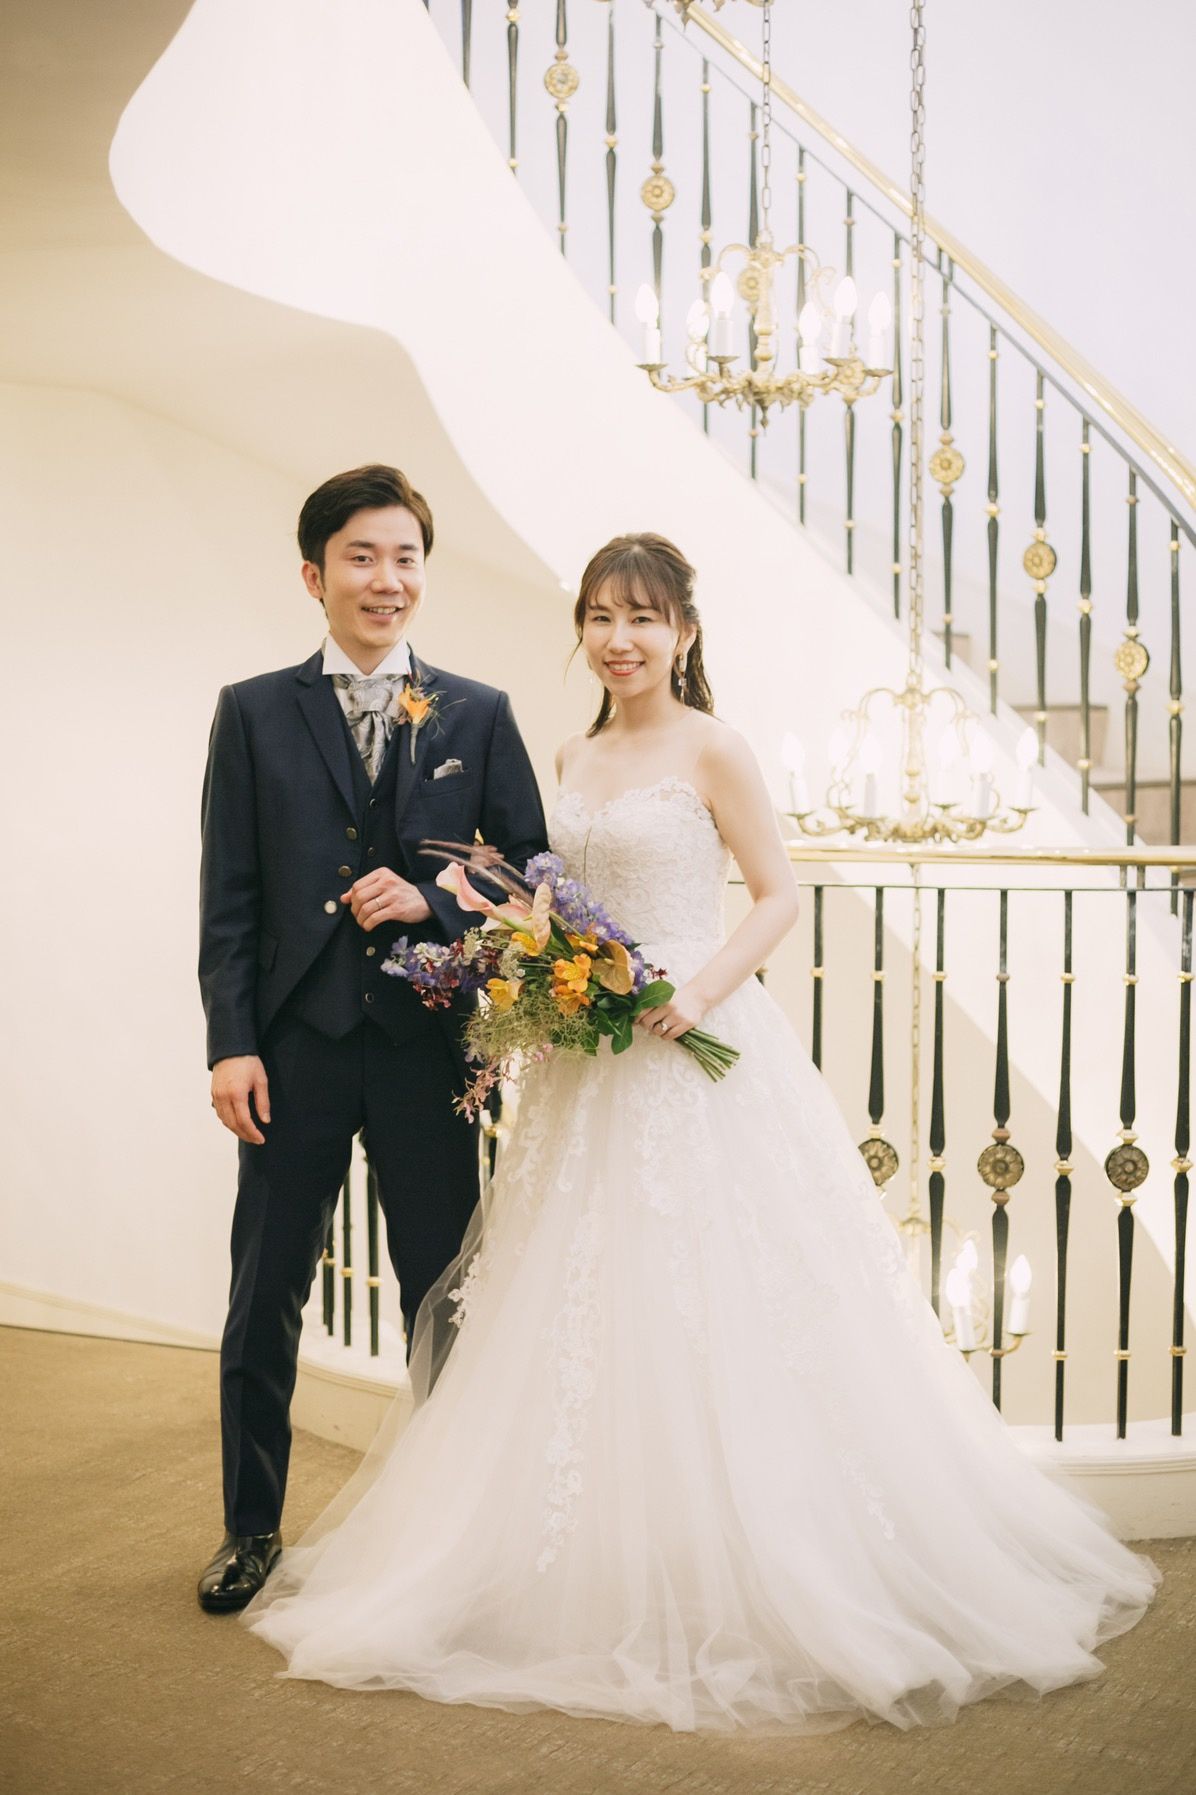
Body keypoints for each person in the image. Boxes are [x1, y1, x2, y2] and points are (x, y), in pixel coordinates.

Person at [244, 532, 1157, 1731]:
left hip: (692, 1040)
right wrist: (529, 956)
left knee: (719, 1293)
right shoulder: (569, 752)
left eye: (642, 618)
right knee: (588, 1298)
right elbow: (542, 894)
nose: (618, 639)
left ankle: (764, 1550)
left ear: (681, 632)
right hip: (587, 1057)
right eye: (599, 617)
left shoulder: (713, 747)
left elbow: (775, 895)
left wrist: (695, 992)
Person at [196, 464, 547, 1613]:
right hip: (291, 1048)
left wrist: (436, 901)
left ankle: (448, 1540)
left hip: (424, 1050)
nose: (386, 578)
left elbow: (529, 871)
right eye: (361, 556)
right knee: (264, 1295)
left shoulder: (476, 712)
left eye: (405, 557)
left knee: (442, 1293)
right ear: (315, 575)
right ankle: (250, 1527)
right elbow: (229, 895)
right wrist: (231, 1043)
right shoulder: (253, 711)